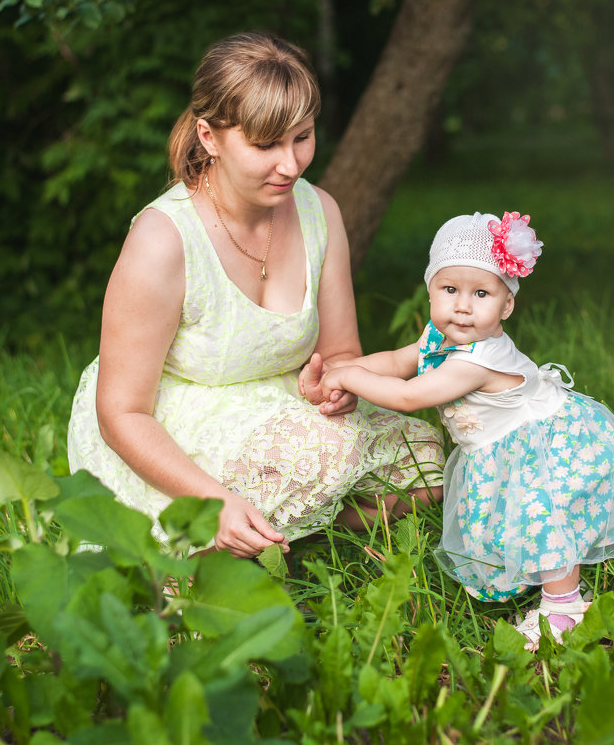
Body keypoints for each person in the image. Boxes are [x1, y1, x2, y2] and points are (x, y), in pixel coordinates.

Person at [67, 32, 444, 558]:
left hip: (283, 404)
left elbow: (340, 355)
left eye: (302, 138)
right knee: (328, 452)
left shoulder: (320, 213)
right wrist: (212, 500)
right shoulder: (162, 240)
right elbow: (121, 413)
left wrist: (337, 386)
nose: (290, 165)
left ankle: (289, 541)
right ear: (209, 137)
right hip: (174, 422)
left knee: (424, 460)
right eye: (265, 145)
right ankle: (214, 540)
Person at [314, 211, 614, 649]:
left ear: (506, 304)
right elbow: (398, 362)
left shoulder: (479, 359)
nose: (463, 305)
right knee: (506, 518)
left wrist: (346, 380)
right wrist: (338, 370)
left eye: (482, 293)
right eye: (449, 289)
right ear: (430, 290)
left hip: (543, 448)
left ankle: (564, 606)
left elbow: (409, 395)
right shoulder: (441, 335)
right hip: (499, 447)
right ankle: (533, 578)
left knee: (543, 515)